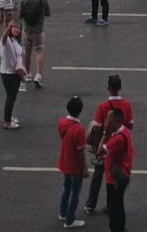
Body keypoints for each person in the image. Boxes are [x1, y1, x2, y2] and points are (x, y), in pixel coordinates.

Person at [85, 75, 134, 216]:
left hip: (105, 144)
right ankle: (111, 203)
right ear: (120, 88)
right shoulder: (126, 104)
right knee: (115, 175)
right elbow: (130, 124)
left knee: (98, 174)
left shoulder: (103, 106)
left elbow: (97, 127)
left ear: (108, 88)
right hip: (120, 147)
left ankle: (90, 204)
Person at [96, 107, 134, 232]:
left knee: (115, 206)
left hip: (115, 178)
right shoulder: (125, 131)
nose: (106, 122)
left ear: (117, 121)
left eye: (109, 120)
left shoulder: (117, 138)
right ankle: (120, 228)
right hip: (122, 171)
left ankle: (117, 229)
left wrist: (105, 133)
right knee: (118, 203)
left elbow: (100, 151)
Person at [56, 95, 89, 229]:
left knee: (66, 188)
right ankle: (70, 219)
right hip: (75, 165)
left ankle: (63, 212)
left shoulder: (62, 122)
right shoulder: (79, 130)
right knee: (75, 192)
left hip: (65, 160)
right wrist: (85, 169)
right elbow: (80, 153)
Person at [18, 0, 51, 85]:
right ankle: (38, 75)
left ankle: (27, 73)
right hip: (39, 30)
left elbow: (19, 15)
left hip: (27, 29)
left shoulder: (23, 0)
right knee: (39, 51)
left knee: (27, 52)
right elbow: (48, 13)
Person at [0, 20, 26, 129]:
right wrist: (7, 27)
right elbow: (4, 38)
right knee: (11, 97)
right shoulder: (7, 41)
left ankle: (8, 117)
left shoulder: (16, 42)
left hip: (16, 73)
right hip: (7, 73)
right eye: (14, 27)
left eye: (18, 27)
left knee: (13, 97)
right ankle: (7, 122)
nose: (16, 29)